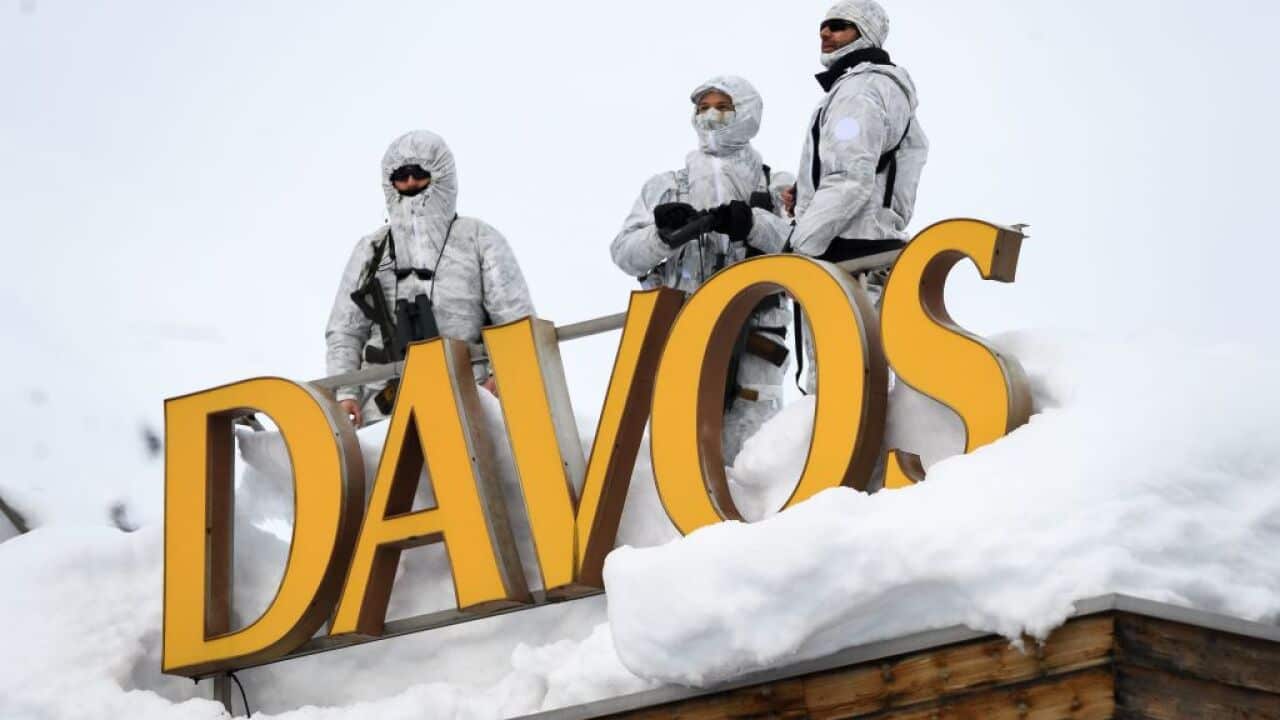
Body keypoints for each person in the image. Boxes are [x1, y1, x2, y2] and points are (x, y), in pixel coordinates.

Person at [611, 76, 795, 463]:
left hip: (758, 335)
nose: (711, 115)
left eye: (723, 107)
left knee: (753, 451)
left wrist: (752, 224)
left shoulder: (777, 187)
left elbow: (804, 249)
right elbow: (624, 254)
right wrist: (663, 236)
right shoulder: (666, 187)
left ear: (747, 112)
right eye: (703, 108)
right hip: (684, 327)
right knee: (684, 444)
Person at [325, 130, 535, 427]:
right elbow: (345, 330)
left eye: (419, 173)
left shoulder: (478, 238)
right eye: (401, 175)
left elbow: (515, 321)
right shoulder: (371, 250)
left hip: (469, 402)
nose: (410, 182)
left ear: (440, 174)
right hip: (384, 415)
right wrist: (345, 392)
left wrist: (500, 377)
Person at [783, 0, 928, 396]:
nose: (825, 33)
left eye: (839, 25)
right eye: (823, 26)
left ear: (866, 32)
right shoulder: (888, 90)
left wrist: (800, 245)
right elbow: (896, 170)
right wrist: (807, 193)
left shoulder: (858, 91)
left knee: (838, 388)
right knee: (870, 381)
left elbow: (850, 178)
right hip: (874, 249)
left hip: (845, 256)